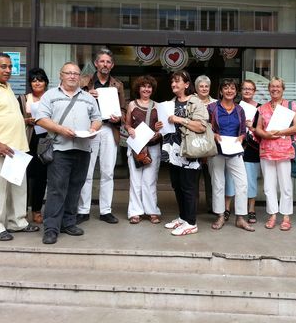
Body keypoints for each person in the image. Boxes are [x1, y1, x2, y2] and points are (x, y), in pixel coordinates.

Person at [36, 62, 102, 244]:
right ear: (61, 75)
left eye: (76, 73)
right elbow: (41, 119)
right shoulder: (50, 95)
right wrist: (61, 129)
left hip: (82, 149)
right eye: (69, 73)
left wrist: (92, 128)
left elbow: (97, 119)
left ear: (80, 77)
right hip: (59, 149)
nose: (73, 76)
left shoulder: (88, 97)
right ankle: (51, 228)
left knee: (75, 188)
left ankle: (68, 223)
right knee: (57, 189)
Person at [77, 48, 126, 225]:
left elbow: (123, 108)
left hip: (108, 128)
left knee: (107, 172)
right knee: (87, 171)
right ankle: (83, 210)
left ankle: (106, 210)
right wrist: (86, 94)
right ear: (96, 63)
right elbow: (73, 101)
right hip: (90, 129)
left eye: (108, 62)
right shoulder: (84, 82)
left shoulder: (117, 85)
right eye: (102, 61)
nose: (105, 64)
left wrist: (120, 117)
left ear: (112, 65)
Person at [162, 70, 208, 236]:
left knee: (189, 188)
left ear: (187, 84)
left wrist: (180, 119)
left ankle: (191, 223)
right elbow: (168, 125)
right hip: (174, 151)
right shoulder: (171, 103)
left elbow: (202, 126)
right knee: (177, 186)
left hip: (190, 151)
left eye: (177, 81)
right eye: (172, 82)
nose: (174, 84)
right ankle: (182, 218)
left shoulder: (196, 102)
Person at [0, 53, 39, 241]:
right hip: (1, 147)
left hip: (17, 149)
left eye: (9, 67)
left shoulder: (7, 88)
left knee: (18, 188)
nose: (7, 70)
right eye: (3, 66)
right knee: (0, 190)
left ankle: (17, 222)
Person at [207, 78, 254, 232]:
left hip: (235, 150)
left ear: (236, 91)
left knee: (242, 183)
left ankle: (240, 217)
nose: (229, 91)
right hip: (217, 150)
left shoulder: (239, 109)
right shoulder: (212, 108)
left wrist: (241, 137)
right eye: (226, 88)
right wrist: (213, 134)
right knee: (218, 184)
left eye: (232, 88)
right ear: (220, 91)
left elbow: (242, 131)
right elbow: (206, 127)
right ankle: (220, 215)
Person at [255, 77, 296, 231]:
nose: (275, 89)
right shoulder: (262, 108)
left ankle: (286, 216)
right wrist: (266, 135)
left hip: (284, 151)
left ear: (283, 88)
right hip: (266, 150)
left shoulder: (290, 106)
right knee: (268, 185)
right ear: (269, 89)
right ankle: (273, 214)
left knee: (285, 184)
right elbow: (258, 128)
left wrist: (279, 132)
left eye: (278, 86)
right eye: (272, 86)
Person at [125, 75, 163, 224]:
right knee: (135, 181)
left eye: (149, 87)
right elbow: (127, 124)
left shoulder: (158, 106)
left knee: (150, 180)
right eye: (144, 86)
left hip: (153, 146)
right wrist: (129, 129)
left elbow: (162, 127)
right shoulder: (132, 105)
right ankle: (135, 212)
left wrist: (158, 132)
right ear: (138, 88)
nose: (146, 89)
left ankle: (152, 211)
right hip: (136, 147)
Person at [224, 80, 260, 224]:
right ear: (240, 91)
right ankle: (227, 208)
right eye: (244, 88)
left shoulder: (260, 109)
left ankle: (251, 209)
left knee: (250, 180)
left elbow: (262, 130)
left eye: (250, 89)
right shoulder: (234, 106)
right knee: (230, 178)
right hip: (234, 146)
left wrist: (251, 127)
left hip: (252, 149)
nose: (247, 91)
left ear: (254, 91)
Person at [18, 68, 49, 224]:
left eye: (40, 79)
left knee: (41, 178)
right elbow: (14, 119)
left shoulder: (50, 98)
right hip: (27, 142)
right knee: (25, 178)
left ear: (46, 82)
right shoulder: (23, 99)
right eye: (34, 80)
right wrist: (27, 120)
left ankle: (37, 210)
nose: (37, 82)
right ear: (30, 83)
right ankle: (22, 211)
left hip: (45, 143)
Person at [194, 75, 216, 213]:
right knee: (193, 177)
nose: (204, 88)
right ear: (196, 88)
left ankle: (213, 206)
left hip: (211, 143)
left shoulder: (216, 103)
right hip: (194, 143)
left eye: (206, 86)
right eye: (201, 86)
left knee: (211, 177)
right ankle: (193, 206)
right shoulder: (190, 101)